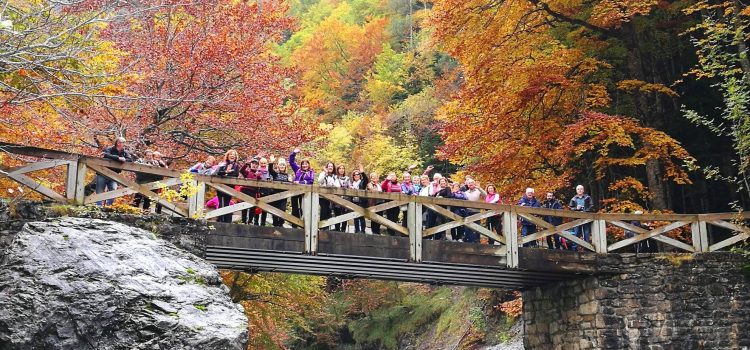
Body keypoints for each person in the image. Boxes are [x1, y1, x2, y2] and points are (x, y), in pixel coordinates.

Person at [96, 137, 133, 206]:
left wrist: (123, 159)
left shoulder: (124, 152)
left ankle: (108, 207)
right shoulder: (109, 149)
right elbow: (106, 155)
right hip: (102, 173)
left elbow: (130, 160)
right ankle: (98, 208)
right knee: (100, 191)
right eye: (123, 143)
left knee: (113, 191)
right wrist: (118, 158)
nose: (125, 144)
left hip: (114, 175)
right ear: (118, 143)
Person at [289, 148, 315, 227]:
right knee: (295, 208)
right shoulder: (298, 170)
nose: (304, 165)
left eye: (306, 164)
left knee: (303, 208)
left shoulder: (311, 172)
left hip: (305, 193)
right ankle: (294, 225)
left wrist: (300, 182)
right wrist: (294, 153)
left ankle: (303, 225)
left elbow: (311, 181)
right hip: (295, 191)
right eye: (303, 164)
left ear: (308, 165)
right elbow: (291, 162)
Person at [215, 150, 240, 223]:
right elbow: (219, 173)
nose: (232, 155)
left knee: (226, 203)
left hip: (230, 187)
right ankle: (220, 219)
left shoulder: (236, 166)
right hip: (221, 186)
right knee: (221, 203)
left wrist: (226, 174)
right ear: (228, 156)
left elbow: (236, 175)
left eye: (234, 154)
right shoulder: (223, 164)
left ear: (235, 157)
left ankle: (226, 220)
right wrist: (226, 172)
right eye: (230, 154)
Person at [268, 155, 291, 227]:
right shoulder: (276, 174)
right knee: (274, 210)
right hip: (275, 194)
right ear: (278, 166)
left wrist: (291, 181)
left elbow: (290, 184)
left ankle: (281, 223)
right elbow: (270, 170)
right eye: (281, 165)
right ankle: (275, 223)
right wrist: (271, 162)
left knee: (282, 209)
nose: (282, 166)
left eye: (283, 165)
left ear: (285, 167)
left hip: (284, 195)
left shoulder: (288, 175)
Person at [462, 179, 485, 243]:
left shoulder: (478, 191)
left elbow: (485, 195)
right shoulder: (465, 192)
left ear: (474, 183)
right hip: (468, 211)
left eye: (472, 182)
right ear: (467, 185)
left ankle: (477, 240)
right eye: (469, 183)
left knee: (477, 226)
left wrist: (479, 188)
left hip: (476, 211)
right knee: (468, 226)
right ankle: (468, 240)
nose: (471, 184)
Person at [318, 162, 339, 230]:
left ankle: (326, 226)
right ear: (327, 167)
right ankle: (321, 226)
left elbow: (337, 185)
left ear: (333, 168)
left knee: (328, 211)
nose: (330, 167)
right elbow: (320, 181)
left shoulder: (335, 176)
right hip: (322, 196)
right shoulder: (322, 173)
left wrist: (333, 185)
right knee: (323, 210)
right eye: (329, 166)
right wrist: (325, 174)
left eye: (331, 166)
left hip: (331, 196)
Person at [239, 157, 261, 225]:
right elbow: (241, 170)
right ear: (250, 164)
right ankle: (243, 220)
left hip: (253, 191)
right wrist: (246, 163)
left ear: (258, 166)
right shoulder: (247, 172)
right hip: (245, 190)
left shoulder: (259, 173)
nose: (254, 165)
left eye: (256, 164)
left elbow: (260, 181)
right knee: (244, 206)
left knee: (252, 206)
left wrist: (257, 176)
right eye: (253, 163)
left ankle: (250, 221)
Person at [351, 164, 368, 233]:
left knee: (361, 216)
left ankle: (363, 231)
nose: (356, 175)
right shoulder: (352, 184)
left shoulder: (362, 182)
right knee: (355, 216)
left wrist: (362, 172)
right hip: (354, 201)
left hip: (361, 202)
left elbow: (366, 180)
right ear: (353, 176)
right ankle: (357, 230)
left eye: (358, 174)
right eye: (355, 174)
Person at [335, 164, 352, 232]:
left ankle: (343, 230)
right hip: (336, 199)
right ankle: (337, 230)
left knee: (344, 216)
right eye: (340, 168)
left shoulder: (347, 178)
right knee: (337, 215)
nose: (342, 170)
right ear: (338, 170)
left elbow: (350, 186)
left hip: (345, 199)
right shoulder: (335, 177)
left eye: (343, 168)